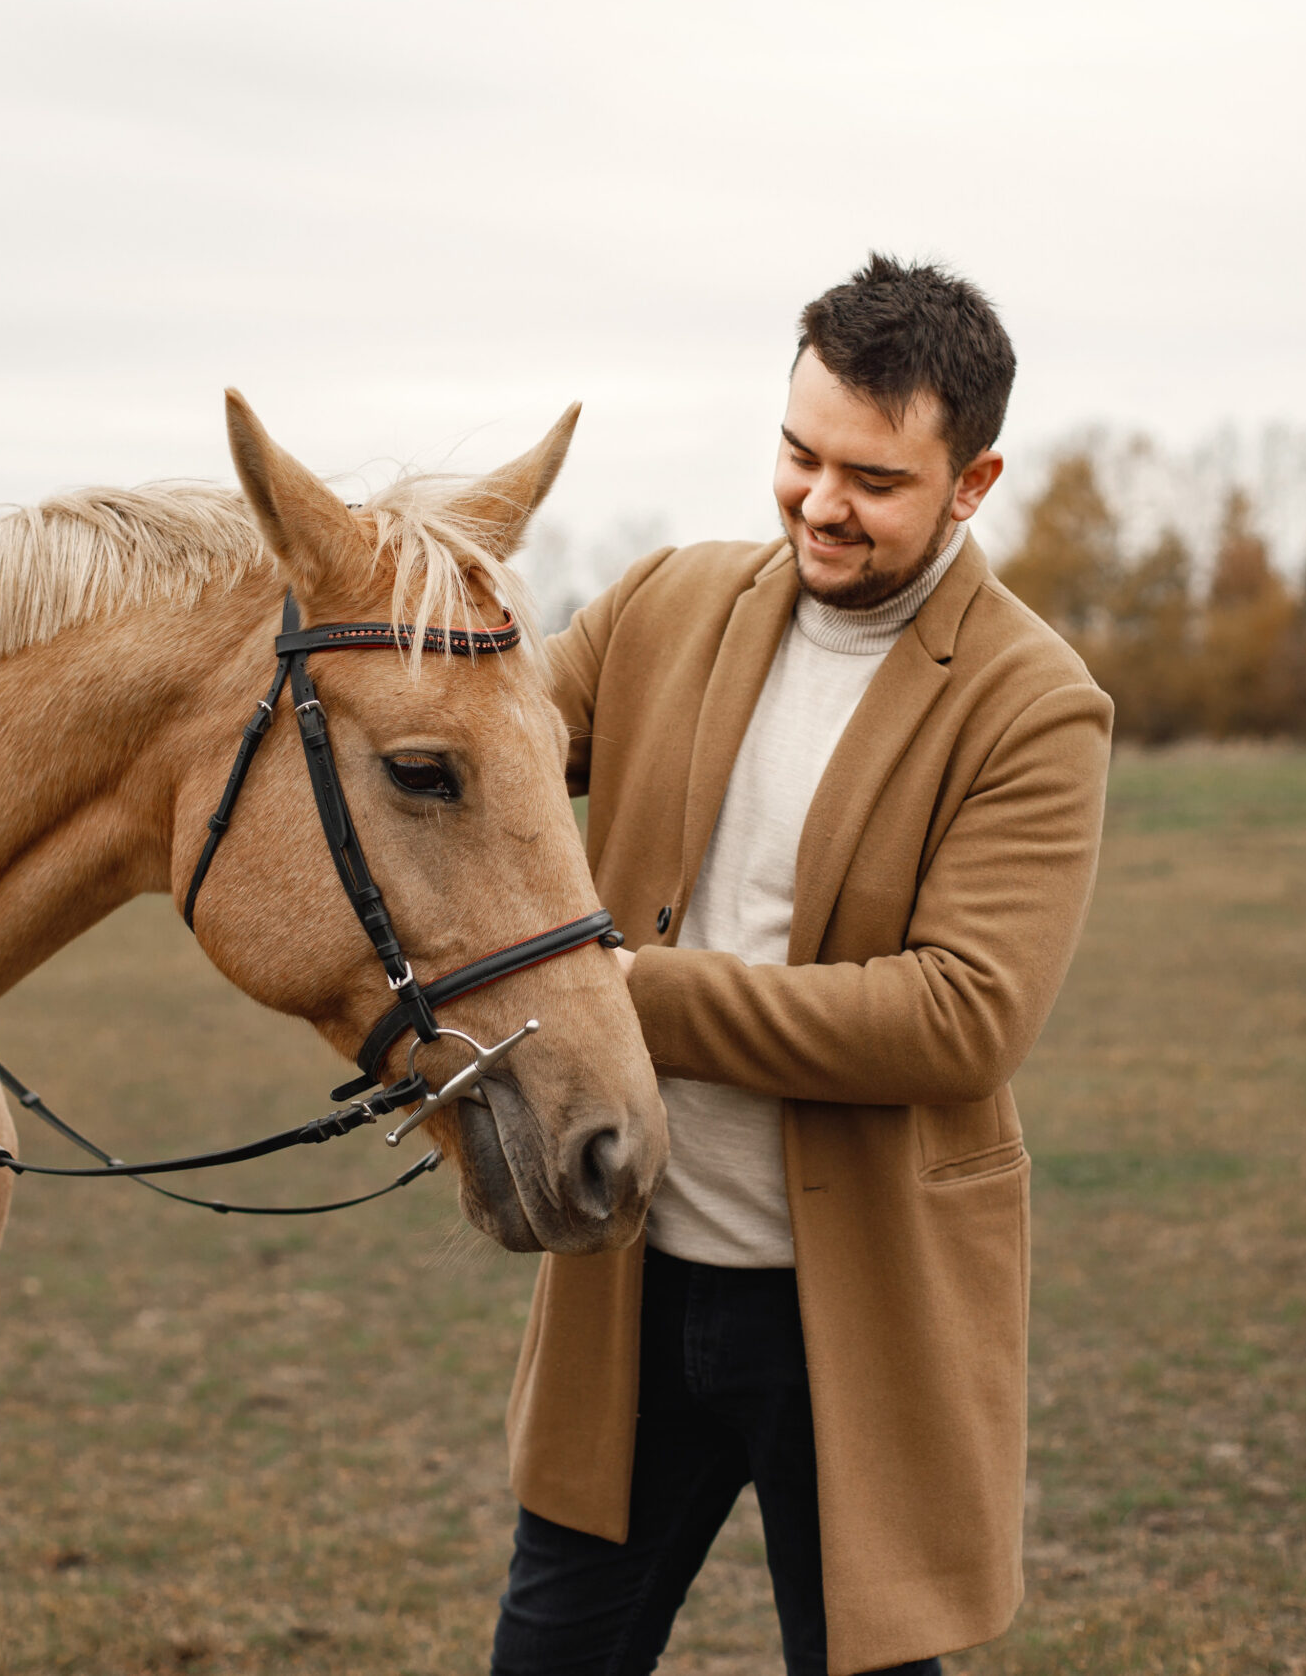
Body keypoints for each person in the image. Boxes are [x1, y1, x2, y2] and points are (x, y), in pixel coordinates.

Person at [489, 254, 1114, 1676]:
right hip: (631, 1278)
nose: (820, 503)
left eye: (874, 479)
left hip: (858, 1310)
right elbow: (485, 766)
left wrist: (630, 998)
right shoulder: (662, 602)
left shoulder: (1036, 705)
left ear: (974, 481)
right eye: (796, 453)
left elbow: (960, 1020)